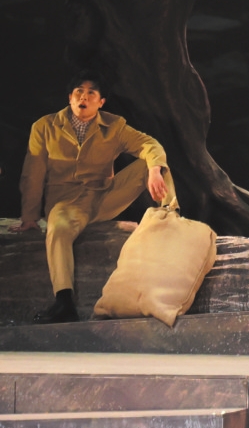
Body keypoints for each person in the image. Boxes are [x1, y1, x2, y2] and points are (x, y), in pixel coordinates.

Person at [14, 71, 172, 324]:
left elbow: (150, 144)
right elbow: (33, 174)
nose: (83, 97)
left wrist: (154, 170)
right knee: (59, 229)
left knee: (154, 163)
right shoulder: (44, 127)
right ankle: (64, 301)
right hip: (66, 203)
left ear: (101, 102)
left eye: (91, 93)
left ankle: (171, 217)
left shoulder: (114, 126)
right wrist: (30, 217)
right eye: (79, 92)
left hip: (104, 196)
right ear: (69, 97)